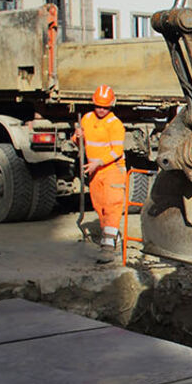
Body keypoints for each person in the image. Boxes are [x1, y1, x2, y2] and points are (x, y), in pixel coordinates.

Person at [76, 85, 127, 264]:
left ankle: (108, 247)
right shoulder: (87, 119)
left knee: (112, 205)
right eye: (98, 106)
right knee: (100, 207)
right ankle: (112, 237)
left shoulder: (115, 125)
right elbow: (79, 143)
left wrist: (99, 162)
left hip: (113, 169)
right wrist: (77, 137)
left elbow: (117, 151)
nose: (101, 109)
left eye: (105, 107)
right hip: (95, 171)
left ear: (111, 105)